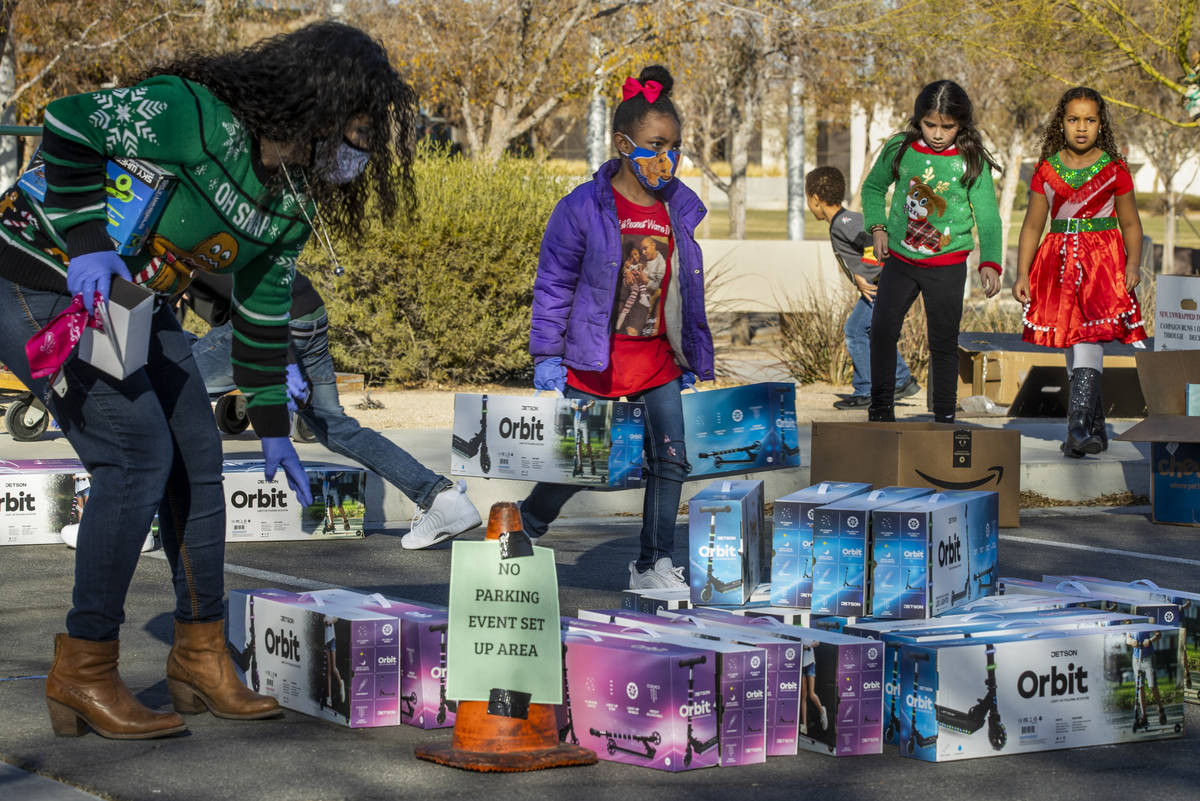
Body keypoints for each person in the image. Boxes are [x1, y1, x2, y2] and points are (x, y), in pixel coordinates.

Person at [0, 22, 419, 740]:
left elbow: (260, 312)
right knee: (134, 453)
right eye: (353, 132)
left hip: (127, 301)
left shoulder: (292, 200)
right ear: (311, 108)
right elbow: (68, 123)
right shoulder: (191, 115)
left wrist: (272, 426)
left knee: (196, 454)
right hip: (37, 270)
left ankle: (199, 655)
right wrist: (90, 244)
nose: (359, 153)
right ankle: (84, 668)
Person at [521, 65, 714, 590]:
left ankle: (653, 564)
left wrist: (691, 353)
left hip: (657, 360)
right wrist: (547, 355)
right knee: (578, 465)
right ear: (622, 142)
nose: (665, 158)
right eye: (654, 145)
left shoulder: (679, 210)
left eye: (674, 147)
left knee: (670, 459)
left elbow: (685, 289)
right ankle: (527, 524)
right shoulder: (582, 208)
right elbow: (555, 284)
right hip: (597, 359)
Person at [186, 267, 482, 548]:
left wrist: (285, 362)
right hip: (308, 314)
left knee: (173, 381)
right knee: (335, 429)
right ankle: (440, 498)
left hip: (275, 321)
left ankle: (146, 513)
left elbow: (261, 299)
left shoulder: (175, 239)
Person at [1012, 87, 1145, 457]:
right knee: (1072, 343)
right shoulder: (1045, 170)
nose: (1081, 127)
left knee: (1087, 339)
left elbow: (1131, 224)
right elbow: (1031, 226)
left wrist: (1132, 264)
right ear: (1062, 123)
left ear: (1100, 125)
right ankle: (1095, 429)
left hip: (1102, 265)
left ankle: (1078, 428)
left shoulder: (1115, 169)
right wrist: (1022, 273)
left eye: (1089, 120)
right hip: (1057, 266)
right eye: (1074, 119)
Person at [862, 80, 1003, 423]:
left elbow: (987, 216)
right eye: (930, 125)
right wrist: (878, 227)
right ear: (918, 120)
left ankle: (943, 416)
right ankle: (881, 410)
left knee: (942, 342)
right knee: (881, 329)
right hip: (901, 260)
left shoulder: (971, 159)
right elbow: (873, 187)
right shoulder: (901, 148)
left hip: (947, 265)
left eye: (948, 127)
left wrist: (990, 262)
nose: (938, 134)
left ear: (962, 125)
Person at [804, 166, 919, 409]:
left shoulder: (844, 222)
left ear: (815, 199)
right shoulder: (842, 222)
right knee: (867, 331)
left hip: (881, 286)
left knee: (856, 330)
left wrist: (866, 273)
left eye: (807, 199)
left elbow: (876, 242)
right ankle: (901, 379)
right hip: (882, 285)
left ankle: (867, 389)